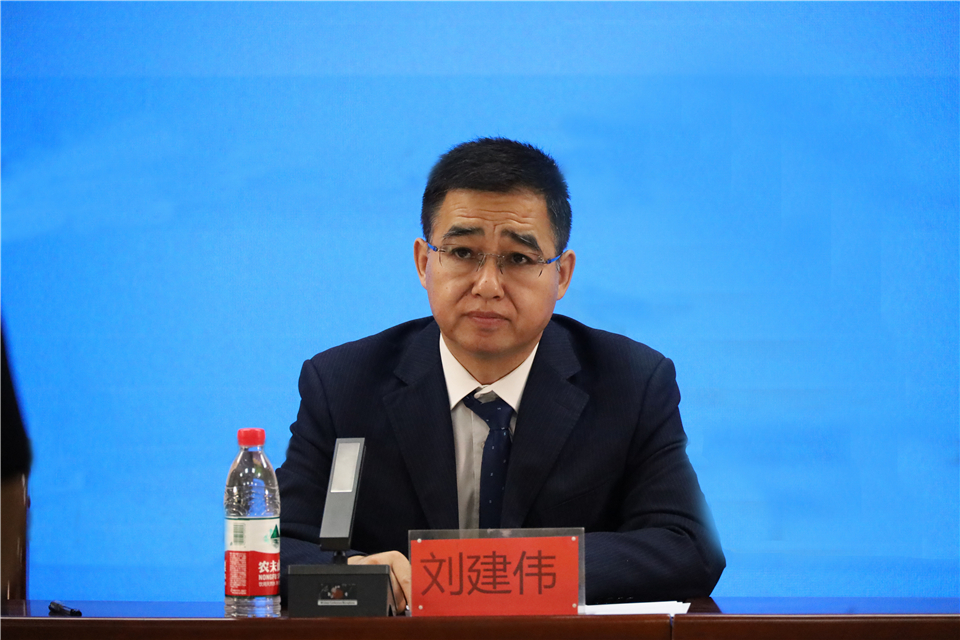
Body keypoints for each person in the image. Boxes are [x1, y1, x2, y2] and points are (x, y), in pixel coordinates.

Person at [277, 138, 725, 610]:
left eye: (518, 258)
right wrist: (356, 574)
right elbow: (275, 547)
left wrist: (509, 571)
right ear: (425, 263)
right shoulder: (343, 384)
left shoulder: (631, 382)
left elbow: (689, 546)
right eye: (462, 252)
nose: (487, 285)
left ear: (562, 275)